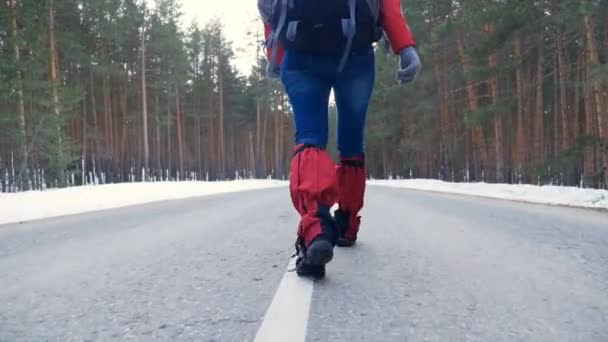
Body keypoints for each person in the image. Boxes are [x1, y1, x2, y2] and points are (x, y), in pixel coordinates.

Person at [258, 0, 421, 278]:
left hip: (301, 56)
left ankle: (316, 227)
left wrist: (275, 52)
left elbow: (270, 8)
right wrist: (405, 48)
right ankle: (346, 223)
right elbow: (387, 5)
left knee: (310, 137)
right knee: (352, 141)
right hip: (354, 56)